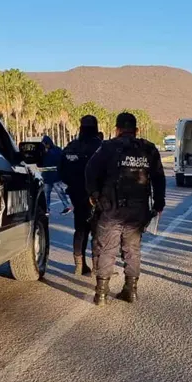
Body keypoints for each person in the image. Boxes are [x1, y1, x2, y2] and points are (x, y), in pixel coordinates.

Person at [86, 112, 166, 305]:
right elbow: (159, 178)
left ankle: (101, 294)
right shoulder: (149, 149)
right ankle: (131, 291)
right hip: (137, 210)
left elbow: (90, 171)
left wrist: (94, 195)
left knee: (107, 249)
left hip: (111, 208)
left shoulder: (107, 147)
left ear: (117, 129)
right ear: (136, 130)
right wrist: (158, 204)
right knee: (132, 250)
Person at [58, 116, 104, 275]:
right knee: (97, 231)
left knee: (80, 229)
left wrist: (74, 184)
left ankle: (79, 264)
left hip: (76, 193)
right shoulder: (100, 147)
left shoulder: (71, 147)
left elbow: (61, 171)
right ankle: (97, 266)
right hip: (96, 195)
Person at [40, 135, 72, 215]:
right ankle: (46, 209)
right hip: (46, 176)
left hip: (55, 176)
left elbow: (61, 159)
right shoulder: (42, 152)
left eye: (46, 144)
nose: (45, 146)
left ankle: (67, 206)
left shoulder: (56, 150)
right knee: (46, 194)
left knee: (60, 192)